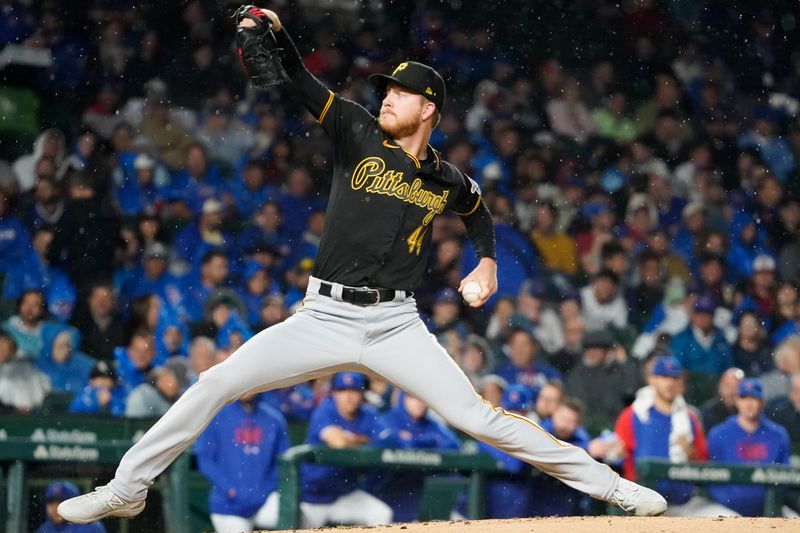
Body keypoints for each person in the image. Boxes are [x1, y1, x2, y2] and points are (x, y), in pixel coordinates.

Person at [57, 6, 666, 523]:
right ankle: (128, 488)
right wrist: (275, 29)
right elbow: (296, 80)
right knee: (216, 382)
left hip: (398, 326)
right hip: (322, 316)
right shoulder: (356, 129)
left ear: (428, 108)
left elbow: (478, 210)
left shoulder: (444, 177)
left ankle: (610, 486)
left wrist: (488, 264)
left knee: (479, 416)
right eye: (387, 90)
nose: (387, 98)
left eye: (399, 92)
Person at [614, 356, 736, 517]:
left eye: (674, 377)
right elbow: (619, 459)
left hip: (684, 503)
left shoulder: (690, 418)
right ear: (652, 379)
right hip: (642, 505)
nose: (670, 383)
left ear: (681, 383)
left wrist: (691, 453)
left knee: (728, 519)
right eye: (664, 377)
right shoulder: (633, 415)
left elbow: (703, 466)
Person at [299, 372, 394, 528]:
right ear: (334, 393)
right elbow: (339, 442)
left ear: (362, 394)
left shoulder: (367, 414)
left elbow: (386, 440)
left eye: (354, 390)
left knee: (381, 513)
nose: (348, 396)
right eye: (342, 390)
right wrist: (362, 439)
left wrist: (349, 437)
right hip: (312, 497)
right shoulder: (325, 410)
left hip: (343, 494)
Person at [195, 392, 289, 533]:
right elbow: (204, 459)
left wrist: (267, 489)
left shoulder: (273, 417)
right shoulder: (217, 415)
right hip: (228, 503)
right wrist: (229, 489)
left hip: (265, 499)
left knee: (291, 514)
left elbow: (283, 461)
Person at [707, 378, 791, 516]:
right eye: (744, 397)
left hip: (771, 509)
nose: (749, 403)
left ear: (762, 402)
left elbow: (785, 479)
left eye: (754, 398)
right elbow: (711, 477)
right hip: (727, 510)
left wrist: (771, 504)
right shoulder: (718, 434)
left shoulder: (778, 435)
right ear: (737, 401)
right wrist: (729, 500)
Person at [374, 392, 461, 522]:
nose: (419, 403)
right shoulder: (388, 419)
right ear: (404, 398)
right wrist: (431, 441)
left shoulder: (430, 423)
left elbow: (454, 444)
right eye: (414, 398)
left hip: (419, 486)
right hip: (387, 487)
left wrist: (417, 440)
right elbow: (390, 441)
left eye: (422, 398)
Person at [35, 481, 106, 533]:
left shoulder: (91, 526)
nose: (55, 508)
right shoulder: (44, 529)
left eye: (60, 502)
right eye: (50, 502)